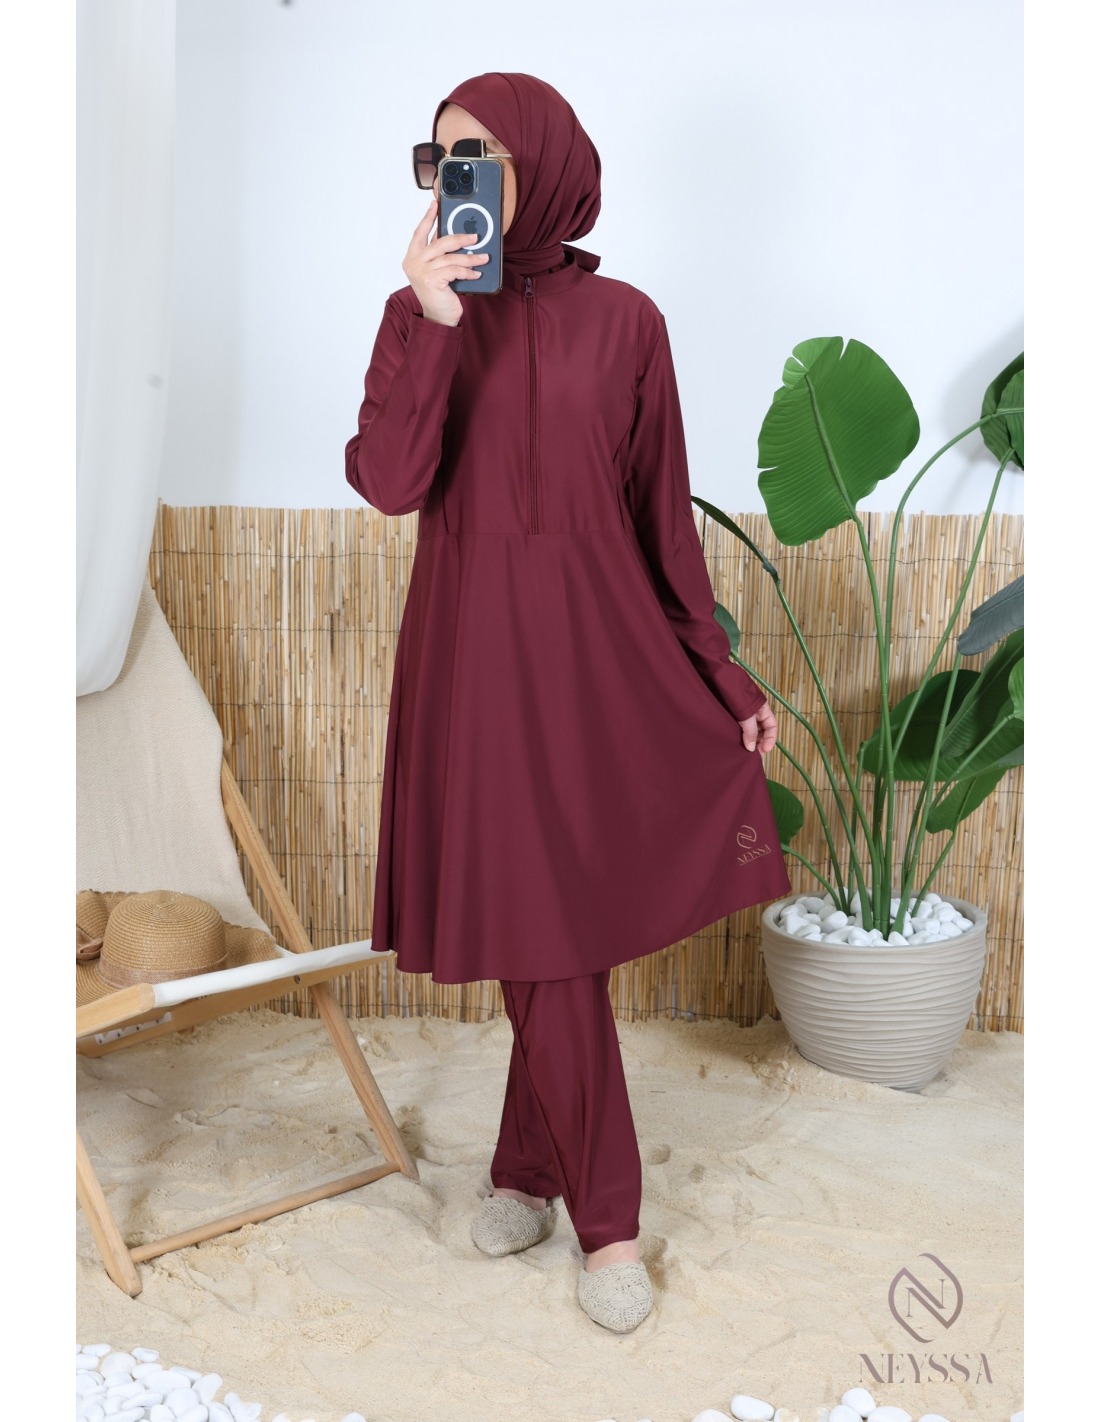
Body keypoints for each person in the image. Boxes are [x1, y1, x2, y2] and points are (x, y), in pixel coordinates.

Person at [345, 71, 791, 1334]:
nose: (455, 180)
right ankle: (608, 1221)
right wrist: (436, 319)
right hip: (475, 665)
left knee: (553, 928)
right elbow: (387, 481)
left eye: (478, 154)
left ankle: (530, 1176)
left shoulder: (628, 322)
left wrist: (721, 673)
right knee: (539, 926)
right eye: (438, 161)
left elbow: (660, 523)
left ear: (542, 162)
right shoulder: (413, 314)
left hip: (601, 659)